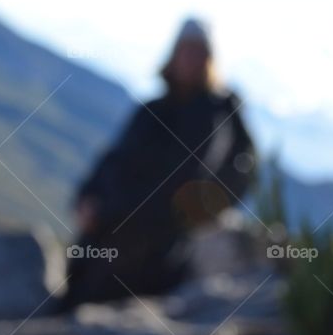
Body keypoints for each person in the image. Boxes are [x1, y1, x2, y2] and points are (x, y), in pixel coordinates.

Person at [59, 18, 256, 309]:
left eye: (198, 52)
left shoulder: (212, 117)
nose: (189, 59)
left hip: (158, 242)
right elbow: (115, 157)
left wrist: (112, 210)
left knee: (99, 290)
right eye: (184, 50)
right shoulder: (153, 110)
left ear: (209, 61)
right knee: (83, 281)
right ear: (173, 54)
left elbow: (185, 178)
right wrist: (88, 197)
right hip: (114, 223)